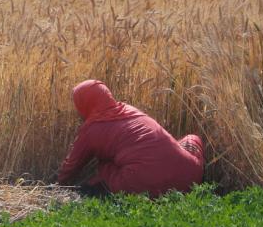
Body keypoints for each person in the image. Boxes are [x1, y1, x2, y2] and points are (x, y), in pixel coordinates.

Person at [58, 79, 205, 198]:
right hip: (189, 178)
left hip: (144, 186)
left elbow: (71, 166)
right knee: (191, 138)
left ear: (84, 103)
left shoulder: (91, 130)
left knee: (104, 165)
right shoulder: (129, 110)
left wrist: (58, 185)